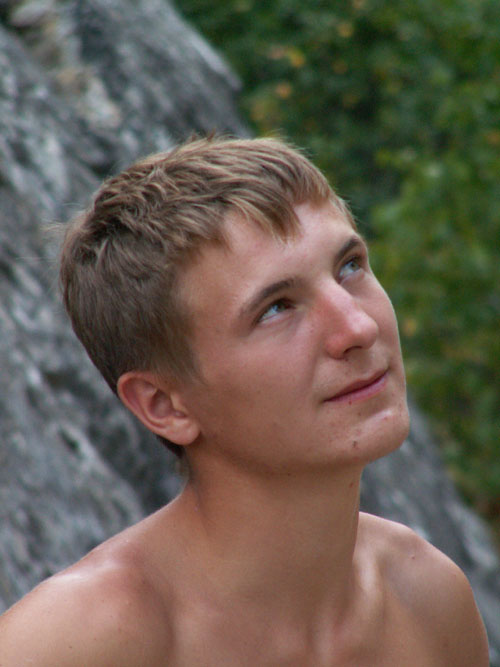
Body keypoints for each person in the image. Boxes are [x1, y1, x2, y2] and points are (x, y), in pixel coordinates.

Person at [0, 136, 489, 665]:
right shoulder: (77, 643)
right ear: (164, 405)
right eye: (276, 308)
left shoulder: (429, 601)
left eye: (349, 266)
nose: (358, 326)